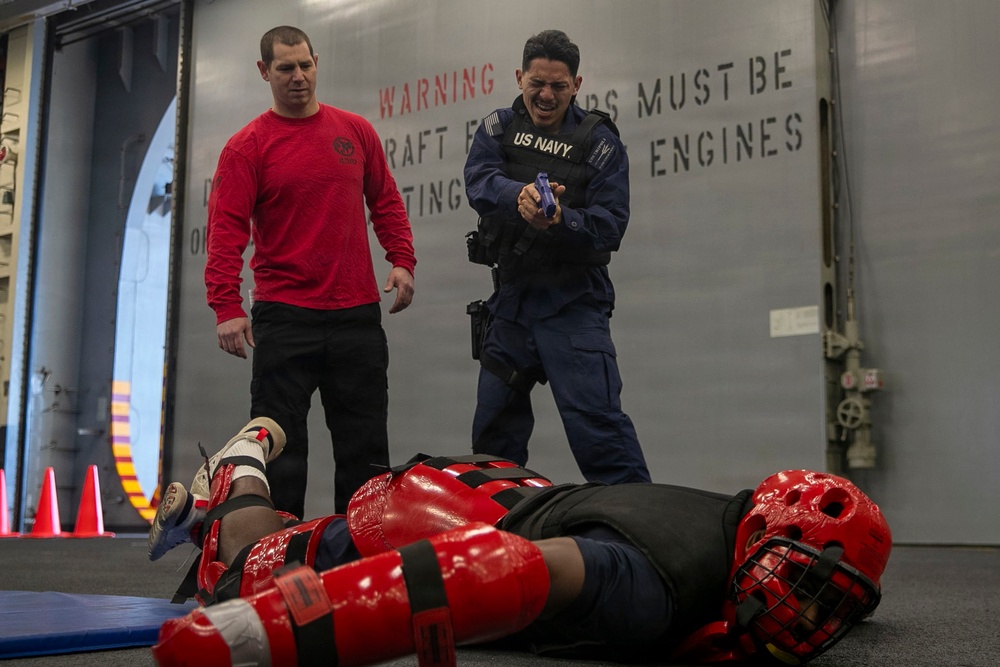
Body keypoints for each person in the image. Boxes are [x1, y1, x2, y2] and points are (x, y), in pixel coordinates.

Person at [149, 418, 892, 666]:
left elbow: (838, 581)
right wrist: (258, 634)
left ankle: (201, 511)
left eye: (825, 601)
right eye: (798, 584)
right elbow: (505, 571)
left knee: (296, 535)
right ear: (760, 537)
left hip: (514, 490)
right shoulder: (654, 579)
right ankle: (243, 465)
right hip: (436, 516)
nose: (804, 614)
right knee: (242, 568)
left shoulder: (731, 517)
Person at [204, 25, 417, 517]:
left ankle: (358, 564)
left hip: (356, 318)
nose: (299, 77)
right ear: (264, 72)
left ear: (316, 61)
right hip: (284, 320)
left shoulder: (355, 131)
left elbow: (386, 202)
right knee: (281, 457)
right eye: (285, 68)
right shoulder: (247, 147)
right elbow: (226, 232)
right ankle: (278, 568)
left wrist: (402, 261)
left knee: (365, 457)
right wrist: (226, 307)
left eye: (306, 65)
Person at [464, 29, 649, 485]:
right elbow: (478, 180)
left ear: (577, 85)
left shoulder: (600, 142)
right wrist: (519, 196)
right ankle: (500, 540)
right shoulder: (498, 127)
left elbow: (611, 226)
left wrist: (561, 219)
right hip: (511, 305)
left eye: (558, 86)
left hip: (574, 305)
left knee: (600, 434)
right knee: (492, 443)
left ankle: (635, 542)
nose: (546, 96)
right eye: (536, 83)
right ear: (520, 77)